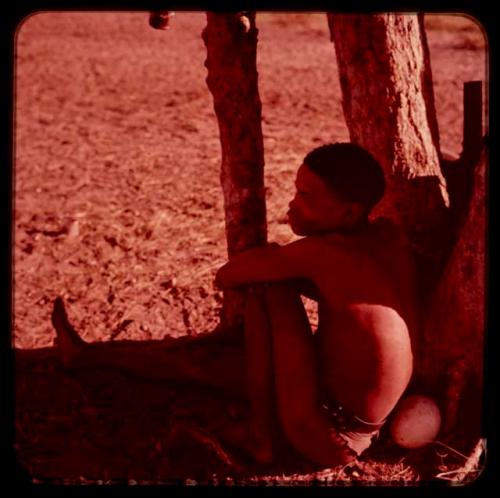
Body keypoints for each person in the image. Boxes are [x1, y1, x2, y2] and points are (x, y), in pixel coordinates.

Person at [52, 143, 416, 468]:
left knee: (270, 284)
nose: (292, 203)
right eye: (296, 191)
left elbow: (228, 277)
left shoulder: (323, 253)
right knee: (209, 363)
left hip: (329, 436)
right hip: (362, 420)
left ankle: (260, 437)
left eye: (306, 197)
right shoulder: (386, 237)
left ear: (349, 214)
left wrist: (277, 257)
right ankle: (88, 356)